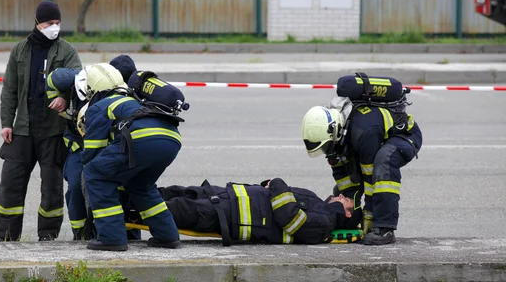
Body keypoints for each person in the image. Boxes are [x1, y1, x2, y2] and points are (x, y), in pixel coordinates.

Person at [0, 0, 83, 242]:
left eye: (57, 23)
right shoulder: (20, 50)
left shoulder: (67, 51)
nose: (54, 27)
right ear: (37, 22)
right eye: (49, 23)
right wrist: (6, 123)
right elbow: (9, 89)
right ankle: (5, 236)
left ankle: (47, 235)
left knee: (52, 188)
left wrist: (65, 98)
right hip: (22, 129)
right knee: (11, 184)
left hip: (52, 130)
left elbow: (80, 83)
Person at [300, 73, 423, 245]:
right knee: (346, 186)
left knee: (384, 162)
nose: (327, 151)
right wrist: (351, 208)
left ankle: (385, 229)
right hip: (367, 142)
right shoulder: (335, 138)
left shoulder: (363, 131)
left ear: (334, 131)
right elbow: (345, 181)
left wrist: (369, 216)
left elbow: (371, 179)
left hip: (404, 136)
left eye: (326, 146)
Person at [80, 64, 183, 251]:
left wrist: (91, 169)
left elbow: (93, 150)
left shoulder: (98, 107)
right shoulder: (133, 100)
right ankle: (167, 236)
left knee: (96, 174)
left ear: (92, 90)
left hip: (143, 139)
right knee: (140, 185)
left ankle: (112, 238)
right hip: (172, 139)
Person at [45, 55, 140, 241]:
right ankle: (82, 235)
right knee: (75, 188)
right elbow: (52, 79)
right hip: (79, 147)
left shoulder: (131, 92)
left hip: (114, 148)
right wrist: (62, 97)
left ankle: (130, 235)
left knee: (124, 191)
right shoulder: (82, 80)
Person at [125, 178, 357, 246]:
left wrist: (277, 184)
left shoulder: (324, 223)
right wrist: (270, 184)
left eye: (348, 202)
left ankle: (120, 213)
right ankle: (122, 196)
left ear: (347, 214)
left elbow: (291, 219)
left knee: (177, 209)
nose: (344, 197)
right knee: (176, 192)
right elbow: (277, 197)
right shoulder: (317, 200)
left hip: (227, 216)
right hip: (225, 197)